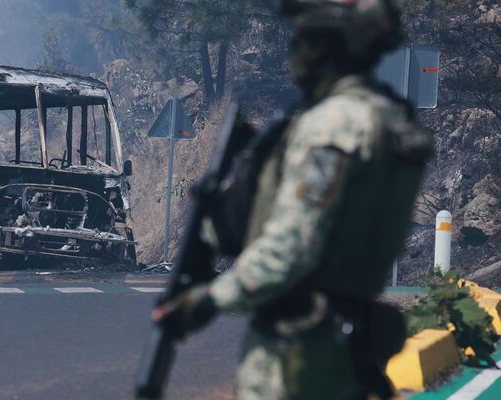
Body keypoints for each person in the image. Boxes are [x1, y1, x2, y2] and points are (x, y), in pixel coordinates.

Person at [153, 0, 433, 398]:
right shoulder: (390, 118)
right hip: (348, 344)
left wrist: (210, 298)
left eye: (307, 35)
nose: (296, 48)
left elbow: (294, 244)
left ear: (330, 44)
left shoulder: (334, 125)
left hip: (298, 355)